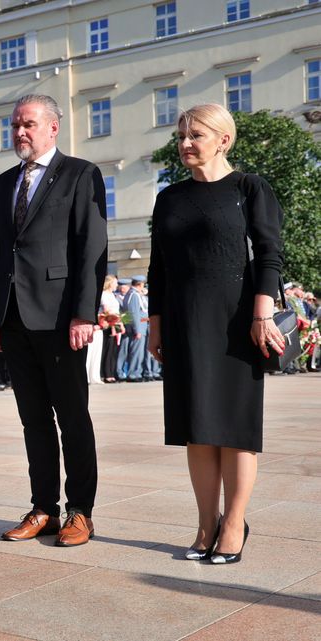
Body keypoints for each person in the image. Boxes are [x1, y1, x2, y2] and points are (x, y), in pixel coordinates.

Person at [147, 104, 284, 565]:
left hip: (237, 321)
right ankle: (206, 523)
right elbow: (158, 268)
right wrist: (155, 324)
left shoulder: (249, 188)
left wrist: (262, 314)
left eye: (196, 135)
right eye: (182, 135)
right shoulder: (169, 198)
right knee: (197, 429)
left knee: (235, 428)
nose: (186, 143)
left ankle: (233, 523)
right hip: (184, 321)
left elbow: (269, 252)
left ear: (223, 139)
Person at [0, 94, 107, 548]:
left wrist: (83, 313)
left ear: (53, 127)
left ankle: (81, 512)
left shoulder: (80, 174)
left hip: (59, 317)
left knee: (72, 418)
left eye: (28, 124)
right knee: (33, 420)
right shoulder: (2, 183)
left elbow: (91, 247)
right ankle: (43, 508)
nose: (19, 133)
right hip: (13, 317)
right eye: (14, 125)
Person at [122, 276, 149, 382]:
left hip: (140, 326)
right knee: (136, 352)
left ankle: (137, 372)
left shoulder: (133, 294)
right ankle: (133, 374)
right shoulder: (134, 295)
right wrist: (136, 329)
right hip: (138, 328)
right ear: (140, 284)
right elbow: (133, 313)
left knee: (139, 352)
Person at [98, 275, 122, 384]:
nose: (116, 285)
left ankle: (111, 373)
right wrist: (113, 321)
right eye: (115, 283)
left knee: (114, 349)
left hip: (116, 321)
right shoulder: (104, 294)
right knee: (108, 349)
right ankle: (106, 374)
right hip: (109, 322)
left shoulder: (112, 295)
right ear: (109, 283)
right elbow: (106, 310)